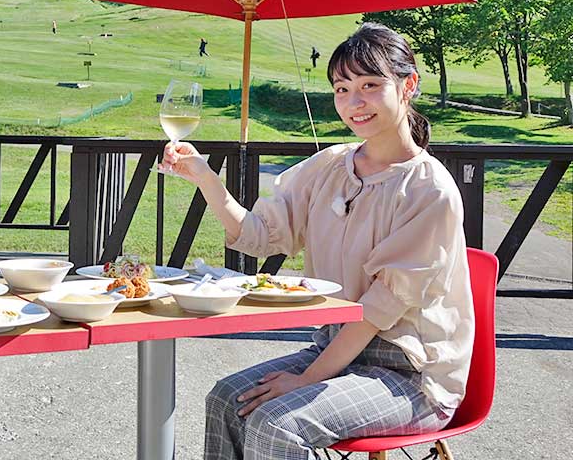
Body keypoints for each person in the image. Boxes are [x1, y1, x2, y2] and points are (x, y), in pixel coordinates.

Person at [162, 23, 474, 460]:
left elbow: (378, 309)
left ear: (408, 86)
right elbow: (258, 235)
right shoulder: (329, 166)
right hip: (336, 349)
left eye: (370, 85)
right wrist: (205, 178)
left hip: (409, 375)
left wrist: (307, 379)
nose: (354, 102)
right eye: (342, 89)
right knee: (225, 400)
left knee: (278, 423)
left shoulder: (430, 190)